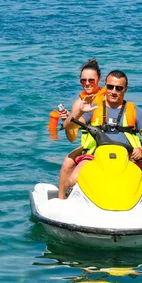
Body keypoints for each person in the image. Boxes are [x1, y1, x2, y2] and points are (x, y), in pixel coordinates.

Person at [66, 70, 142, 194]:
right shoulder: (93, 108)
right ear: (105, 85)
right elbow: (69, 127)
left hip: (127, 159)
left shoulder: (136, 111)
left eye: (119, 88)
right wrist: (79, 112)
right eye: (110, 87)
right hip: (94, 157)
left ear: (125, 89)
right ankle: (64, 200)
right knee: (72, 180)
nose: (113, 91)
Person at [57, 59, 106, 199]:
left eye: (91, 80)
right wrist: (68, 121)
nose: (87, 83)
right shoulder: (78, 103)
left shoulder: (108, 98)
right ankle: (61, 199)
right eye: (83, 80)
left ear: (99, 80)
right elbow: (72, 137)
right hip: (88, 146)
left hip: (106, 144)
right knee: (67, 162)